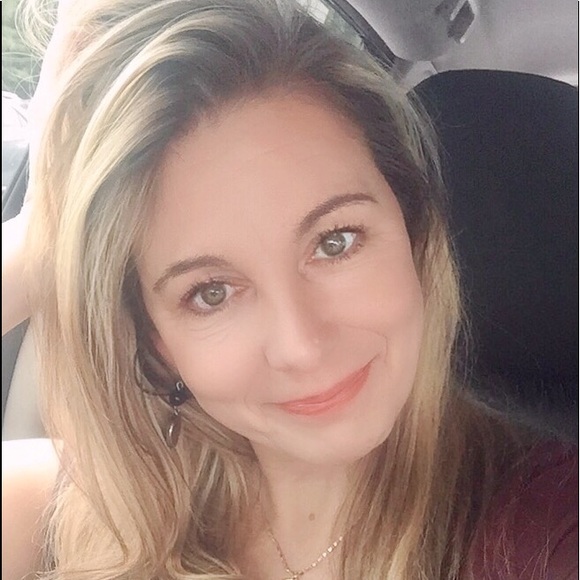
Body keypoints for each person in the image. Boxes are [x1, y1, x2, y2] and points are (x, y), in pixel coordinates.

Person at [1, 0, 577, 578]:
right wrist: (39, 238)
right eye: (211, 293)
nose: (301, 346)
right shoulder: (95, 510)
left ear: (414, 234)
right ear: (158, 343)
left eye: (335, 242)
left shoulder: (544, 529)